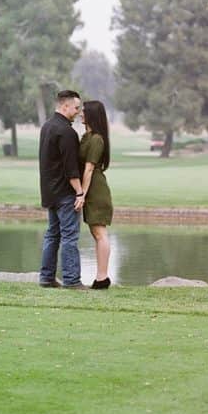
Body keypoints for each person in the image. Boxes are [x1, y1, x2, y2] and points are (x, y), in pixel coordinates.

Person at [38, 90, 88, 289]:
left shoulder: (47, 126)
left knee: (52, 234)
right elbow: (71, 168)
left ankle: (47, 277)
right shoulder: (67, 132)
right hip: (66, 193)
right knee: (69, 236)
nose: (78, 112)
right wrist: (79, 192)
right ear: (65, 106)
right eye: (76, 108)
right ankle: (72, 280)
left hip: (50, 191)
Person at [79, 100, 113, 289]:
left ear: (91, 114)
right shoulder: (87, 136)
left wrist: (82, 194)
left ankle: (102, 277)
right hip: (91, 188)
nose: (81, 114)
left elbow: (89, 169)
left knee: (100, 233)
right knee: (96, 232)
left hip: (96, 190)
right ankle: (101, 277)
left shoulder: (97, 139)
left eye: (84, 111)